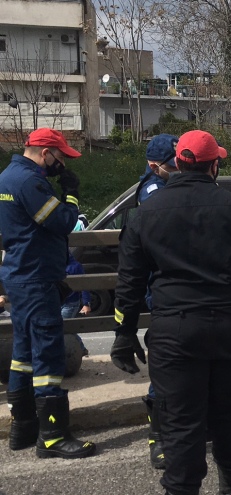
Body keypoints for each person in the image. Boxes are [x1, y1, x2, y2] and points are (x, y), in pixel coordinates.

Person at [110, 129, 231, 495]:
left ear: (177, 163)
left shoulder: (144, 214)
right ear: (213, 166)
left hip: (176, 331)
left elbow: (129, 283)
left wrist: (123, 334)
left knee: (182, 424)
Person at [0, 128, 96, 458]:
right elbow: (62, 222)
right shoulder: (29, 182)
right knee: (49, 354)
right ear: (45, 153)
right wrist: (70, 194)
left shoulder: (7, 178)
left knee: (23, 354)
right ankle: (53, 436)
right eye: (60, 157)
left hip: (19, 275)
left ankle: (22, 428)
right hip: (37, 278)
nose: (62, 163)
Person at [133, 132, 179, 470]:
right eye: (173, 161)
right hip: (162, 289)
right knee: (166, 363)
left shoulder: (169, 186)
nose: (179, 165)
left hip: (181, 286)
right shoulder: (152, 191)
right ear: (155, 165)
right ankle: (158, 437)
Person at [62, 250, 91, 356]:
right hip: (59, 301)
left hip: (70, 303)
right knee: (67, 327)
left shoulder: (75, 266)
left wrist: (86, 303)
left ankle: (81, 348)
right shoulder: (55, 265)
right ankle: (82, 348)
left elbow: (83, 286)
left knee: (64, 326)